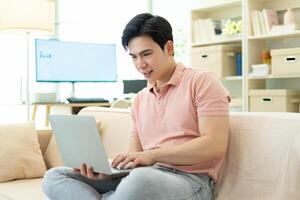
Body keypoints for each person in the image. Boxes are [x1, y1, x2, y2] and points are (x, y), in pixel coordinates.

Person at [42, 13, 230, 200]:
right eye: (134, 57)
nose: (140, 65)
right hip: (143, 177)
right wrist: (109, 173)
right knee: (55, 176)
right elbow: (136, 159)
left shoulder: (202, 81)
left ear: (169, 47)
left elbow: (214, 145)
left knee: (141, 179)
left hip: (191, 181)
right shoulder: (140, 99)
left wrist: (153, 155)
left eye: (146, 54)